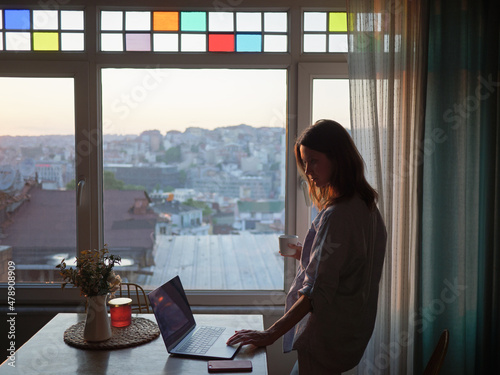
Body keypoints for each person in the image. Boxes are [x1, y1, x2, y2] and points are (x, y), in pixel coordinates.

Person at [227, 120, 387, 374]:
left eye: (314, 160)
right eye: (304, 162)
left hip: (325, 339)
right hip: (351, 335)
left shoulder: (338, 215)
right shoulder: (366, 206)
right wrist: (310, 255)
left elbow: (316, 293)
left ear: (337, 158)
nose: (307, 170)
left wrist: (269, 334)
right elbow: (352, 264)